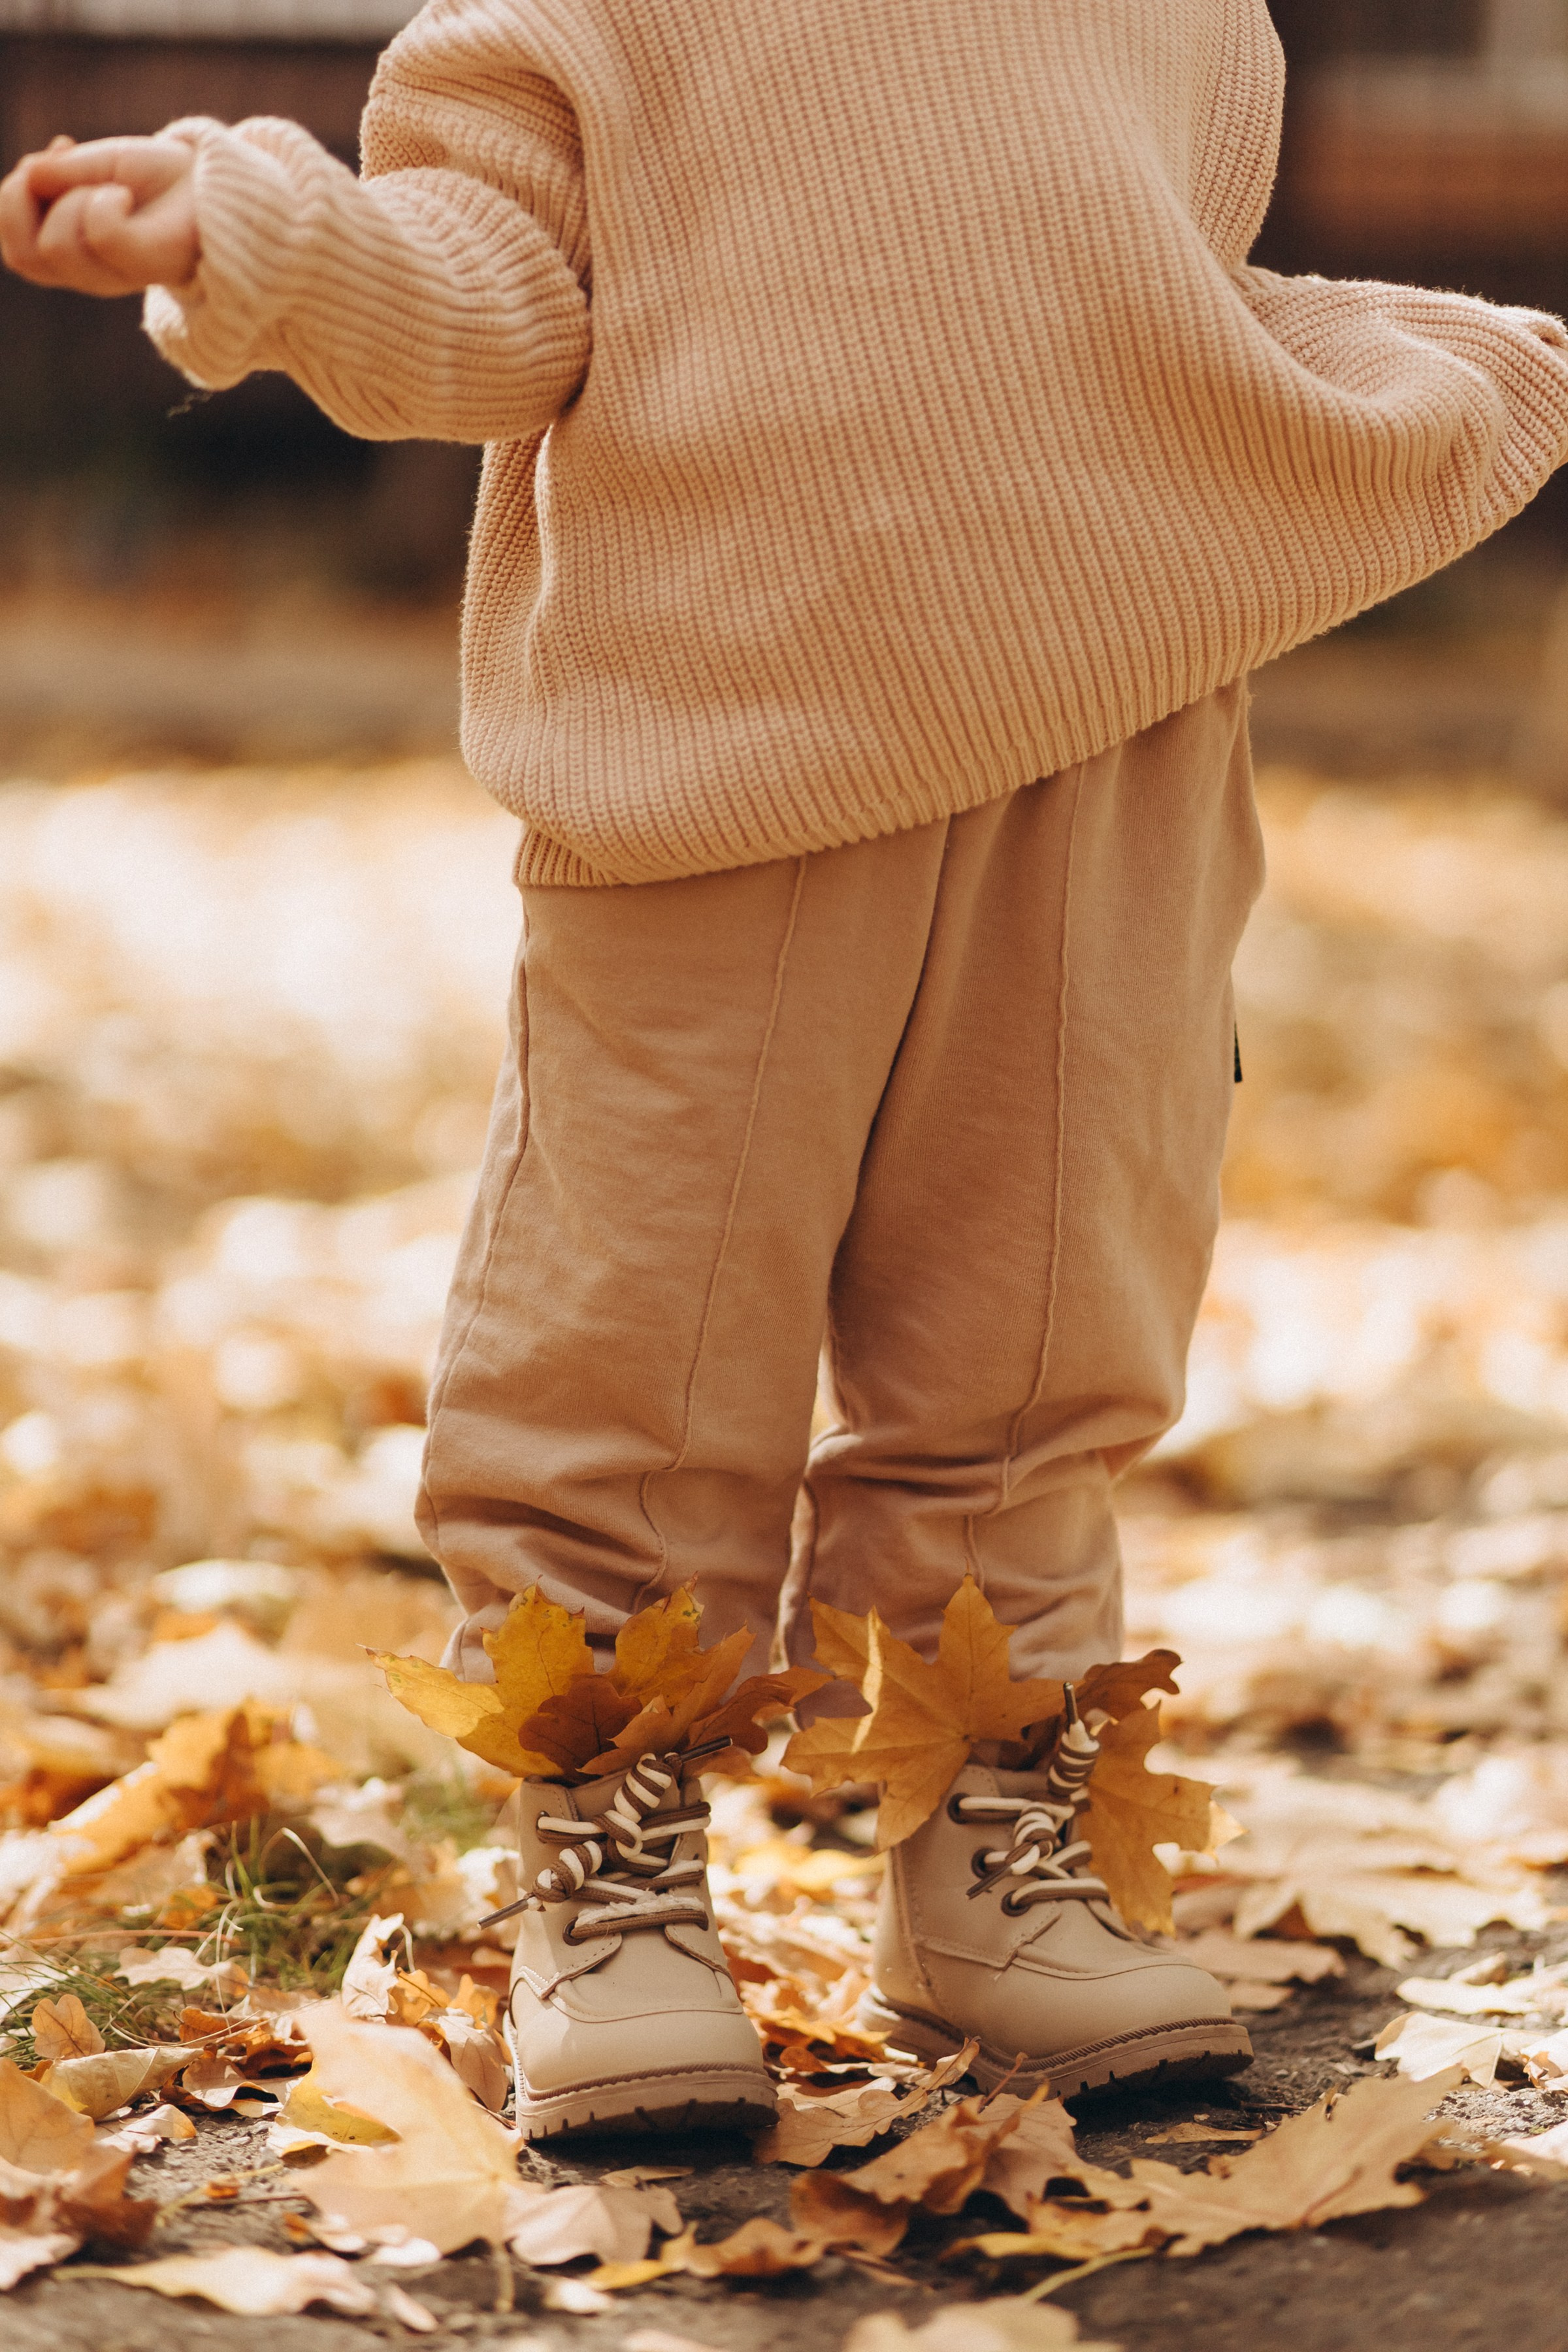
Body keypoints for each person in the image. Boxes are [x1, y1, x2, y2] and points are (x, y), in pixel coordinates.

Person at [6, 0, 1567, 2139]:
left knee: (1040, 1328)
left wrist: (1395, 380)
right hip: (716, 751)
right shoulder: (590, 18)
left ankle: (984, 1836)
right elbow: (498, 300)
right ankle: (606, 1849)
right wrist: (263, 240)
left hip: (1104, 738)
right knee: (630, 1332)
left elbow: (1154, 315)